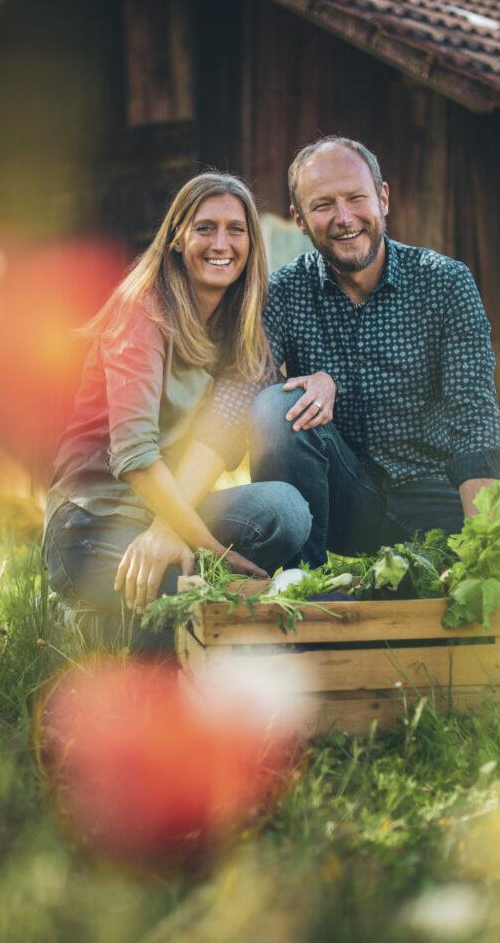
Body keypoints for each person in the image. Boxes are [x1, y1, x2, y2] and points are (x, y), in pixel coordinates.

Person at [202, 136, 500, 627]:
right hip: (339, 500)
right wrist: (170, 518)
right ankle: (305, 589)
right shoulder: (282, 292)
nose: (344, 217)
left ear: (382, 198)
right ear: (300, 219)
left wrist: (480, 543)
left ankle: (407, 588)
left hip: (431, 492)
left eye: (356, 198)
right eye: (323, 205)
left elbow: (474, 417)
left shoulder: (445, 283)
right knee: (272, 406)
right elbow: (239, 390)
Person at [43, 172, 311, 651]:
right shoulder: (142, 310)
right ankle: (76, 622)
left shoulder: (243, 330)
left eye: (236, 229)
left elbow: (220, 437)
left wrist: (169, 530)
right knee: (193, 611)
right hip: (93, 519)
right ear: (175, 239)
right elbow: (134, 455)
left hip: (172, 510)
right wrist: (206, 547)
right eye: (205, 227)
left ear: (252, 242)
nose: (221, 243)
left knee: (285, 510)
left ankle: (168, 579)